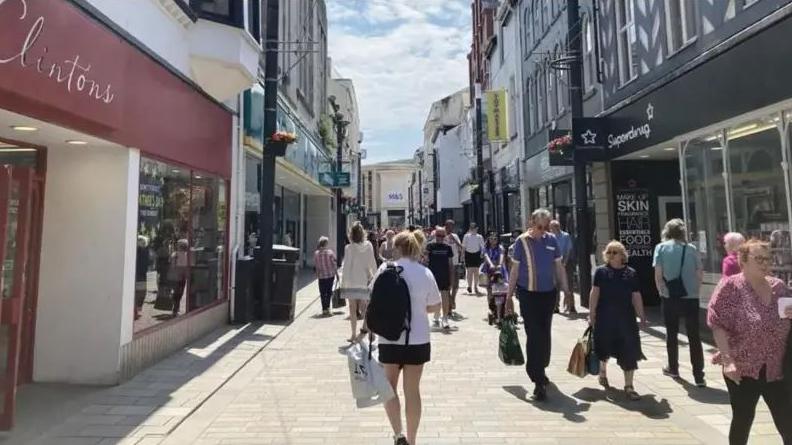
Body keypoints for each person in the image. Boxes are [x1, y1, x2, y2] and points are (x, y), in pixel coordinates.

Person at [707, 239, 792, 444]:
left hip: (776, 368)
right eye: (759, 258)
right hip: (743, 370)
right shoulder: (730, 287)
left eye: (767, 258)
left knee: (788, 423)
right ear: (743, 261)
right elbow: (717, 323)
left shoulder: (779, 287)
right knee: (743, 419)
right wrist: (728, 361)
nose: (765, 263)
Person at [376, 230, 442, 445]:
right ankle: (412, 440)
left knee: (389, 388)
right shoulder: (424, 272)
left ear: (396, 248)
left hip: (389, 338)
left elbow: (373, 301)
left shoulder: (384, 269)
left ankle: (398, 435)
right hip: (418, 339)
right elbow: (435, 305)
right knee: (412, 391)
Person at [506, 208, 572, 401]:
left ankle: (541, 368)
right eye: (539, 226)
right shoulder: (522, 242)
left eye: (545, 227)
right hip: (528, 295)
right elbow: (515, 270)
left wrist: (567, 291)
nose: (542, 230)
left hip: (548, 295)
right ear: (531, 223)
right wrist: (509, 296)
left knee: (544, 334)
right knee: (534, 334)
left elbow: (559, 267)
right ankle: (537, 379)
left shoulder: (552, 241)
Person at [588, 241, 647, 401]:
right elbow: (595, 293)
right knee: (603, 347)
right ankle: (602, 372)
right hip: (605, 317)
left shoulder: (631, 273)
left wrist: (641, 315)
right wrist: (591, 312)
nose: (612, 255)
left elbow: (636, 295)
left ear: (622, 255)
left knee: (629, 350)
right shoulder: (601, 272)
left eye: (615, 252)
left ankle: (629, 386)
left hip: (626, 318)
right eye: (609, 252)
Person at [653, 218, 706, 387]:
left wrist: (662, 291)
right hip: (690, 297)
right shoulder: (691, 249)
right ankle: (699, 375)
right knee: (694, 336)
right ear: (683, 232)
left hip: (670, 297)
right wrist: (695, 290)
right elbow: (699, 273)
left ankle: (673, 368)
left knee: (672, 334)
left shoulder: (661, 248)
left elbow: (658, 274)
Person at [340, 222, 378, 343]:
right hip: (364, 280)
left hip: (351, 280)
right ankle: (371, 332)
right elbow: (372, 262)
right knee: (366, 308)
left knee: (352, 309)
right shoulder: (369, 246)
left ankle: (353, 334)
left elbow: (346, 266)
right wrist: (375, 277)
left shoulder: (349, 248)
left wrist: (343, 282)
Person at [424, 227, 455, 330]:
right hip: (432, 276)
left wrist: (451, 278)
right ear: (435, 235)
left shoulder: (448, 248)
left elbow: (450, 265)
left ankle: (445, 318)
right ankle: (436, 316)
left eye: (442, 236)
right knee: (434, 298)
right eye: (438, 235)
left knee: (445, 297)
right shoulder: (430, 246)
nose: (440, 238)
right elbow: (425, 260)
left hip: (444, 275)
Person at [550, 220, 576, 314]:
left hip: (566, 262)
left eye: (553, 227)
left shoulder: (565, 236)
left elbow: (568, 250)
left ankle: (571, 306)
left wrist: (565, 262)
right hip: (554, 263)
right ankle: (556, 306)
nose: (552, 229)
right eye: (551, 227)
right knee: (555, 285)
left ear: (558, 227)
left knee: (569, 284)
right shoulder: (550, 237)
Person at [444, 219, 464, 319]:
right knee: (447, 286)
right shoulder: (441, 236)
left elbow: (461, 248)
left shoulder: (455, 236)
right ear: (445, 226)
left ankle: (453, 299)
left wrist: (455, 240)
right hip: (446, 265)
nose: (450, 228)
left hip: (455, 263)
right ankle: (449, 306)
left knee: (455, 285)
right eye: (448, 226)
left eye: (452, 226)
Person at [313, 236, 337, 317]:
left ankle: (324, 309)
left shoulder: (316, 253)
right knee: (329, 292)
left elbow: (316, 266)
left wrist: (317, 274)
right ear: (326, 243)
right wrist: (336, 274)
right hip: (330, 275)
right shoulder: (330, 252)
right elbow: (334, 264)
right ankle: (327, 308)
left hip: (321, 276)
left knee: (323, 293)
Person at [462, 223, 485, 296]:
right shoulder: (466, 236)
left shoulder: (479, 237)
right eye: (471, 228)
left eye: (474, 228)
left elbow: (482, 246)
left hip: (476, 254)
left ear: (476, 228)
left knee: (476, 271)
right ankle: (469, 286)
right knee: (469, 271)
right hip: (468, 254)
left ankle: (475, 286)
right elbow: (464, 246)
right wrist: (462, 255)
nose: (473, 230)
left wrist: (482, 253)